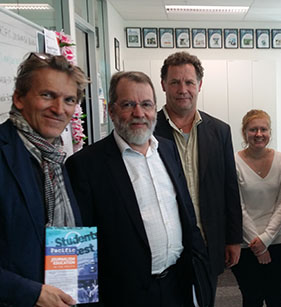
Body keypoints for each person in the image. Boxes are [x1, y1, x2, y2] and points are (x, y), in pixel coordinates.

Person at [66, 71, 213, 306]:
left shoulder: (167, 150)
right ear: (112, 111)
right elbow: (82, 250)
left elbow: (186, 215)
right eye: (128, 104)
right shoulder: (85, 165)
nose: (139, 113)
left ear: (155, 109)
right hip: (125, 295)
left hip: (179, 285)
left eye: (146, 104)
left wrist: (200, 272)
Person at [0, 52, 87, 306]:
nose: (59, 109)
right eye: (47, 95)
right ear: (19, 98)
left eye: (68, 100)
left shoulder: (55, 159)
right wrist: (32, 293)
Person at [154, 52, 242, 282]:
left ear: (199, 85)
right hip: (164, 246)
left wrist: (233, 238)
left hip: (207, 243)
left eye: (189, 82)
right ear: (163, 85)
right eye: (174, 82)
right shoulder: (147, 131)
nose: (182, 89)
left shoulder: (220, 131)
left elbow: (229, 188)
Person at [231, 109, 281, 307]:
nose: (259, 134)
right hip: (246, 244)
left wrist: (266, 239)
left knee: (278, 300)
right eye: (253, 130)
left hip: (280, 242)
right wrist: (258, 246)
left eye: (263, 129)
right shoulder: (233, 161)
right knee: (252, 299)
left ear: (270, 132)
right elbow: (237, 206)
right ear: (244, 133)